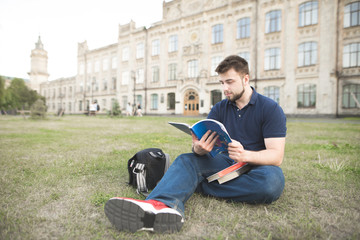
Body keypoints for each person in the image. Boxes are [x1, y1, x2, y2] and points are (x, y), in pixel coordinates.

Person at [104, 55, 287, 233]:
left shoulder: (270, 108)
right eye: (222, 83)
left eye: (229, 82)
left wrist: (245, 155)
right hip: (223, 161)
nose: (225, 88)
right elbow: (204, 145)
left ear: (245, 79)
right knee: (187, 160)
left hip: (256, 166)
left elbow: (276, 156)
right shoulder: (219, 108)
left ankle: (196, 184)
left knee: (271, 184)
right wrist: (198, 149)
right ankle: (158, 206)